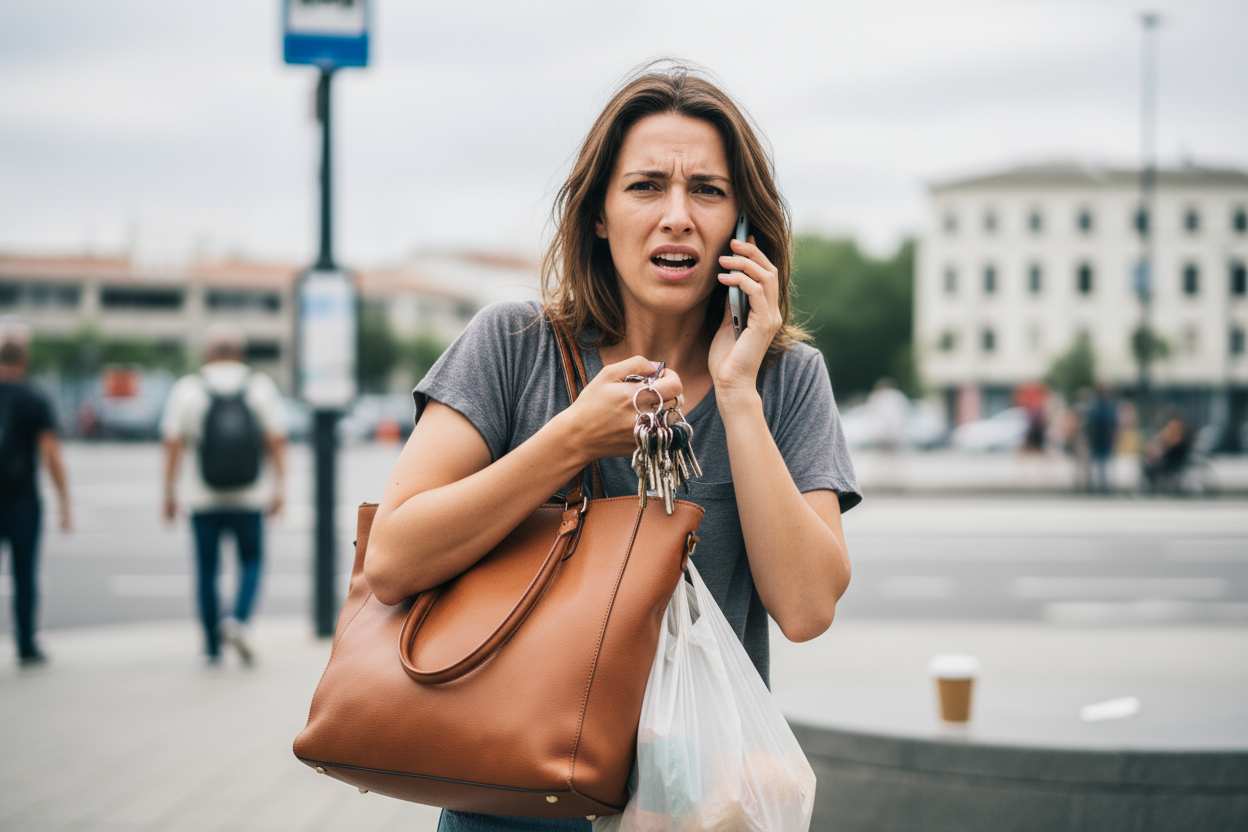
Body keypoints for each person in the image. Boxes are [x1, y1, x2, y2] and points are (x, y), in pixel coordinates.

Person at [366, 64, 860, 832]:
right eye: (645, 187)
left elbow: (805, 607)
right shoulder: (512, 346)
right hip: (510, 798)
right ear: (599, 213)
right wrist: (570, 441)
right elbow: (393, 559)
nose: (676, 215)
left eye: (706, 190)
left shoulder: (786, 378)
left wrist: (738, 397)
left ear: (741, 224)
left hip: (697, 805)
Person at [161, 323, 286, 665]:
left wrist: (169, 493)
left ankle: (212, 648)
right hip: (249, 495)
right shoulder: (259, 386)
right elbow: (276, 441)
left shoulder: (188, 389)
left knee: (206, 569)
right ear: (240, 353)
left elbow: (174, 444)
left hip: (202, 497)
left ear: (208, 352)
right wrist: (280, 488)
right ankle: (239, 620)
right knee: (252, 561)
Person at [0, 336, 71, 666]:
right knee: (25, 575)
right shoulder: (34, 399)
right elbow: (49, 452)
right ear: (24, 362)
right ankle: (26, 645)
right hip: (22, 501)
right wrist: (64, 500)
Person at [1084, 383, 1118, 493]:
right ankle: (1097, 486)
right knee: (1097, 463)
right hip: (1097, 438)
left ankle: (1104, 486)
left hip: (1104, 438)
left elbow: (1112, 423)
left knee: (1104, 463)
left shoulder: (1107, 405)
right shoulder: (1097, 405)